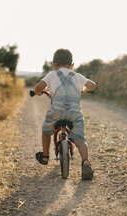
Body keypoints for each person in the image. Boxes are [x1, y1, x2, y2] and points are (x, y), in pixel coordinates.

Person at [33, 48, 97, 180]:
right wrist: (84, 90)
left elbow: (38, 88)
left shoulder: (51, 75)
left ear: (54, 65)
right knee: (80, 139)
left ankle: (45, 156)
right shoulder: (77, 76)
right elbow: (93, 86)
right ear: (72, 65)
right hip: (74, 114)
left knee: (46, 130)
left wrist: (39, 93)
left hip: (56, 112)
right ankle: (85, 162)